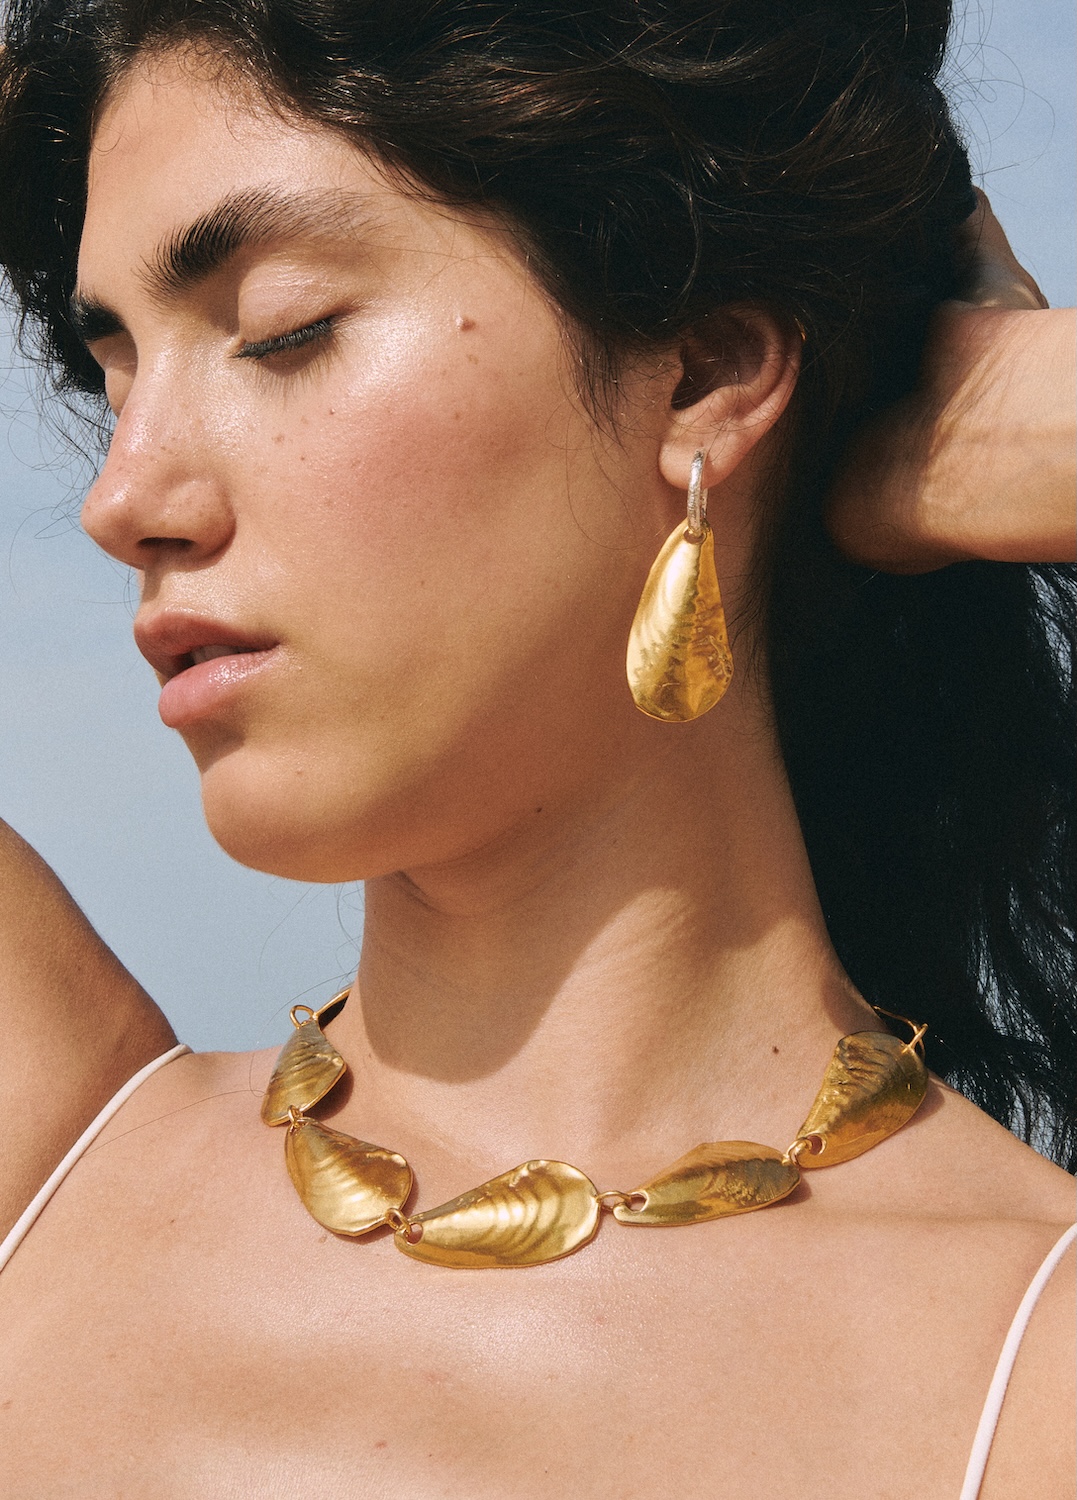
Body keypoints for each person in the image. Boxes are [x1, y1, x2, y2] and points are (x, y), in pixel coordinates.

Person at [0, 1, 1073, 1494]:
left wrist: (1019, 424)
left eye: (280, 329)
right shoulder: (43, 1162)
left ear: (699, 376)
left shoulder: (1031, 1369)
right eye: (110, 363)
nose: (126, 496)